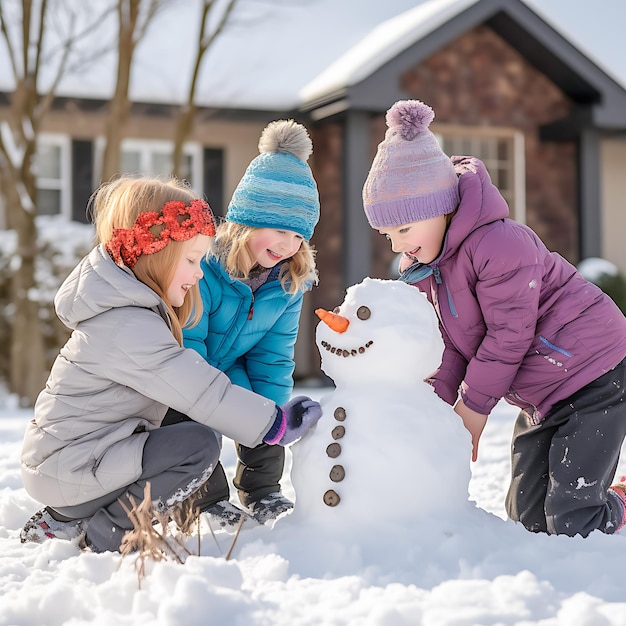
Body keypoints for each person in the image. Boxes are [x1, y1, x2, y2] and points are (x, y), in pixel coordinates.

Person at [361, 98, 626, 538]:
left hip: (595, 373)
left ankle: (616, 503)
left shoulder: (501, 243)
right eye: (388, 235)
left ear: (442, 207)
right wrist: (436, 414)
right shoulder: (426, 274)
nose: (395, 246)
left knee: (572, 520)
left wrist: (474, 408)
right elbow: (448, 350)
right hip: (541, 393)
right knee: (527, 522)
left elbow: (508, 335)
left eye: (404, 230)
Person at [19, 175, 322, 553]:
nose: (199, 272)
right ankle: (104, 533)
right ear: (155, 254)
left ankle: (72, 518)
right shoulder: (127, 324)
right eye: (192, 260)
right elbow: (198, 390)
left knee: (187, 439)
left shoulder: (132, 310)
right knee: (196, 445)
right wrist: (273, 423)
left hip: (83, 459)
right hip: (70, 467)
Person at [163, 119, 320, 526]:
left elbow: (273, 357)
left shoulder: (288, 284)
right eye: (279, 229)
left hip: (230, 368)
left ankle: (263, 492)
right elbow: (188, 342)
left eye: (299, 236)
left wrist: (270, 419)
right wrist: (213, 402)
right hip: (182, 368)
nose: (288, 245)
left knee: (266, 403)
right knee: (189, 416)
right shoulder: (206, 268)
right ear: (247, 219)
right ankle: (203, 500)